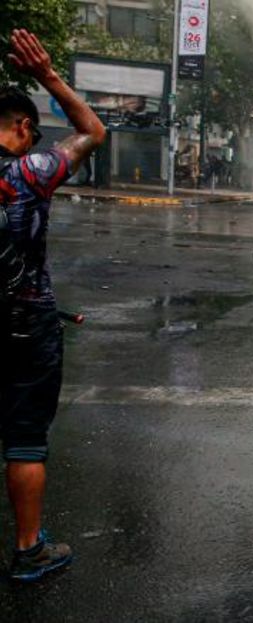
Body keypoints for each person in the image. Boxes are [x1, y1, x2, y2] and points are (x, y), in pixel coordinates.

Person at [0, 30, 105, 583]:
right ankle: (27, 549)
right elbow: (93, 131)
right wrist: (49, 75)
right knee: (24, 440)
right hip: (27, 326)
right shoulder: (28, 174)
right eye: (32, 130)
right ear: (21, 127)